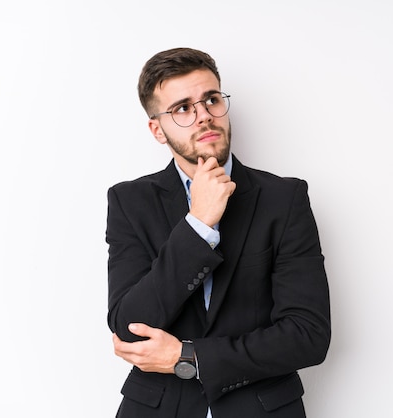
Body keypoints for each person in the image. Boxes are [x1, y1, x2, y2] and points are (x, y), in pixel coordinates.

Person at [106, 47, 331, 418]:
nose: (204, 117)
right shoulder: (130, 201)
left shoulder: (284, 198)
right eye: (183, 108)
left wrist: (187, 358)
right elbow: (130, 329)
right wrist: (198, 225)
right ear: (157, 129)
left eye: (211, 100)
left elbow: (308, 335)